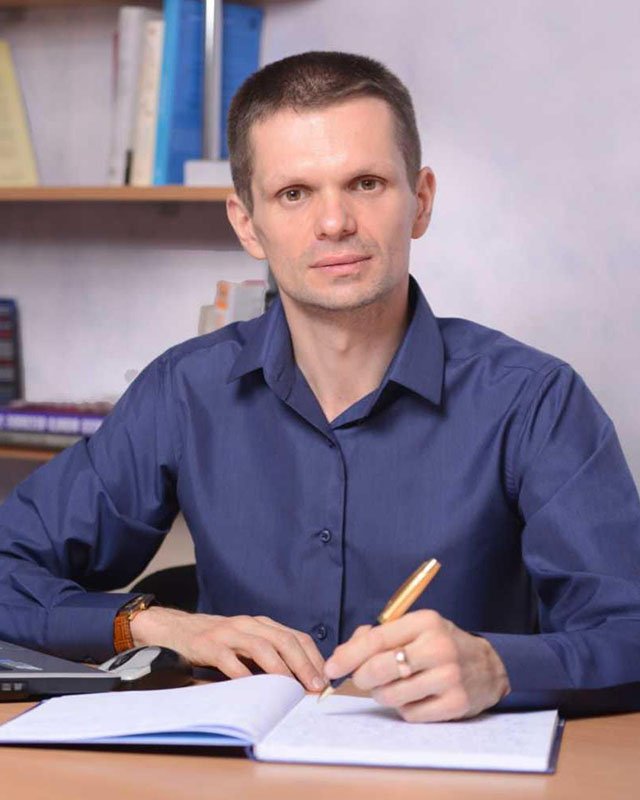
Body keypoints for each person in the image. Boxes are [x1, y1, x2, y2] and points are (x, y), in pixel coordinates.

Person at [1, 52, 640, 723]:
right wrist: (151, 624)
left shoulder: (535, 400)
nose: (334, 223)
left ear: (420, 201)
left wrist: (498, 667)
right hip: (229, 766)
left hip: (448, 767)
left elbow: (628, 629)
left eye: (366, 183)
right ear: (247, 223)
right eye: (294, 194)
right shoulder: (184, 391)